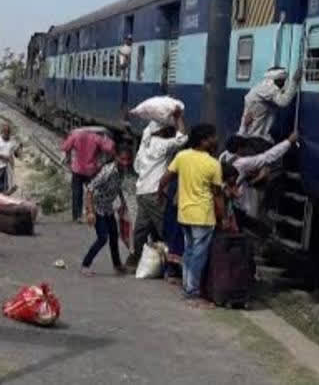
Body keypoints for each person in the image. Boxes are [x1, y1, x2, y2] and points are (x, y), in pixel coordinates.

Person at [158, 123, 224, 303]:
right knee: (198, 255)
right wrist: (223, 217)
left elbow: (166, 178)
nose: (216, 140)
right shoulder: (213, 164)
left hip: (184, 214)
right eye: (212, 136)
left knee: (188, 252)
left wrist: (160, 194)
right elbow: (217, 195)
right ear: (203, 141)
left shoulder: (182, 156)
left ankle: (187, 287)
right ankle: (192, 292)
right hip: (203, 216)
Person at [125, 111, 188, 268]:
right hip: (154, 193)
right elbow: (182, 139)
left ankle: (135, 258)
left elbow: (137, 167)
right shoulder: (162, 144)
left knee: (141, 227)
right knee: (165, 228)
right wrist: (179, 118)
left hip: (141, 192)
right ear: (163, 131)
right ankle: (171, 265)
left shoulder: (144, 145)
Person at [224, 131, 299, 222]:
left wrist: (288, 142)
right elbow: (266, 157)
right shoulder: (238, 166)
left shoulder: (240, 163)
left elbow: (266, 157)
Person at [81, 152, 132, 276]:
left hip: (108, 207)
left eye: (127, 160)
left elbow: (117, 187)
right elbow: (90, 189)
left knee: (114, 236)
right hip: (97, 207)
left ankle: (117, 265)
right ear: (116, 158)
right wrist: (90, 212)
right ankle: (85, 265)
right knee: (103, 238)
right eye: (122, 159)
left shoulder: (121, 171)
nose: (125, 163)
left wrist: (123, 203)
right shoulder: (108, 171)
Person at [61, 127, 115, 222]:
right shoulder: (96, 138)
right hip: (91, 170)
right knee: (92, 192)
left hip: (77, 170)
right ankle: (93, 213)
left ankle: (77, 216)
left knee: (76, 193)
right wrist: (106, 138)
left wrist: (68, 158)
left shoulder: (75, 136)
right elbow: (110, 148)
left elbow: (65, 147)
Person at [238, 66, 302, 141]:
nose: (283, 84)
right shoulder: (268, 87)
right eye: (282, 81)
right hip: (254, 136)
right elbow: (283, 101)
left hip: (252, 132)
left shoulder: (262, 86)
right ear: (276, 79)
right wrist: (294, 81)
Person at [0, 123, 20, 195]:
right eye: (5, 131)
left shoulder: (12, 141)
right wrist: (2, 156)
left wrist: (18, 149)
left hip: (8, 167)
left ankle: (3, 201)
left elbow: (16, 155)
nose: (7, 133)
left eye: (8, 132)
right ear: (2, 132)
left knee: (6, 187)